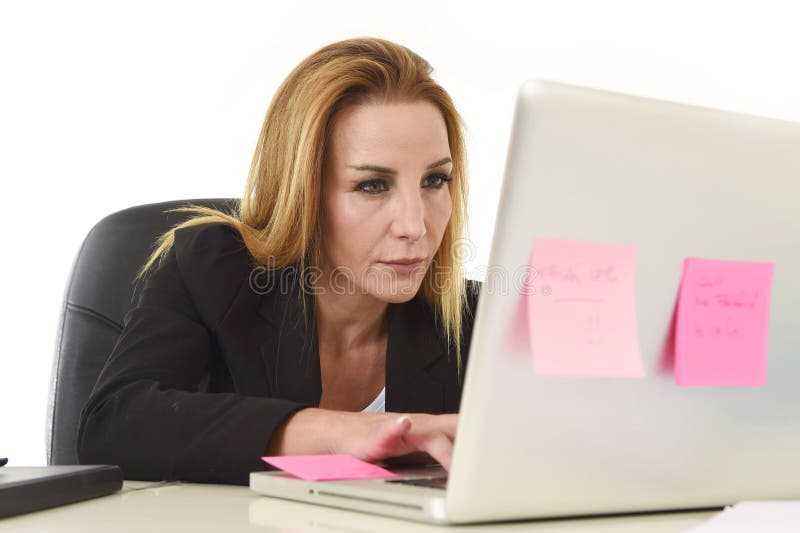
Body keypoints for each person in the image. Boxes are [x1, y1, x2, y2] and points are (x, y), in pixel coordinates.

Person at [77, 37, 481, 485]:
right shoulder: (209, 272)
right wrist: (335, 431)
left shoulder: (475, 322)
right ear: (303, 194)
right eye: (372, 185)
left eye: (434, 180)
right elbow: (112, 426)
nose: (415, 224)